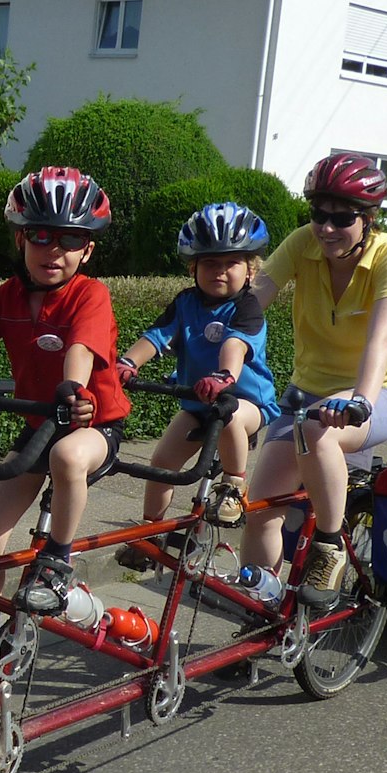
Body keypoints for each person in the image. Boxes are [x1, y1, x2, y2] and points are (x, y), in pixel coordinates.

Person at [0, 168, 129, 636]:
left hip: (91, 426)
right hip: (39, 425)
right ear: (21, 240)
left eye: (71, 239)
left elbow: (80, 348)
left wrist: (72, 389)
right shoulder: (8, 296)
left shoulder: (90, 294)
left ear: (88, 249)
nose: (54, 250)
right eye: (41, 235)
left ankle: (57, 560)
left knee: (68, 454)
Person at [240, 153, 387, 604]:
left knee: (318, 430)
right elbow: (252, 303)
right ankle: (260, 611)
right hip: (306, 399)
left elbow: (381, 339)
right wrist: (211, 343)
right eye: (319, 214)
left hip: (379, 394)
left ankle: (329, 545)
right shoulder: (302, 244)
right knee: (261, 507)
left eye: (342, 217)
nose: (326, 228)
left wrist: (361, 399)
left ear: (368, 220)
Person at [114, 201, 280, 533]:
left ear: (250, 270)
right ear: (193, 268)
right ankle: (151, 531)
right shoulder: (185, 302)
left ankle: (233, 487)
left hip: (248, 402)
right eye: (210, 263)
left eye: (231, 262)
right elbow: (157, 335)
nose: (220, 271)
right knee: (162, 463)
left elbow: (235, 344)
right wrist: (128, 362)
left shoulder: (247, 307)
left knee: (228, 413)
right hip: (197, 401)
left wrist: (224, 376)